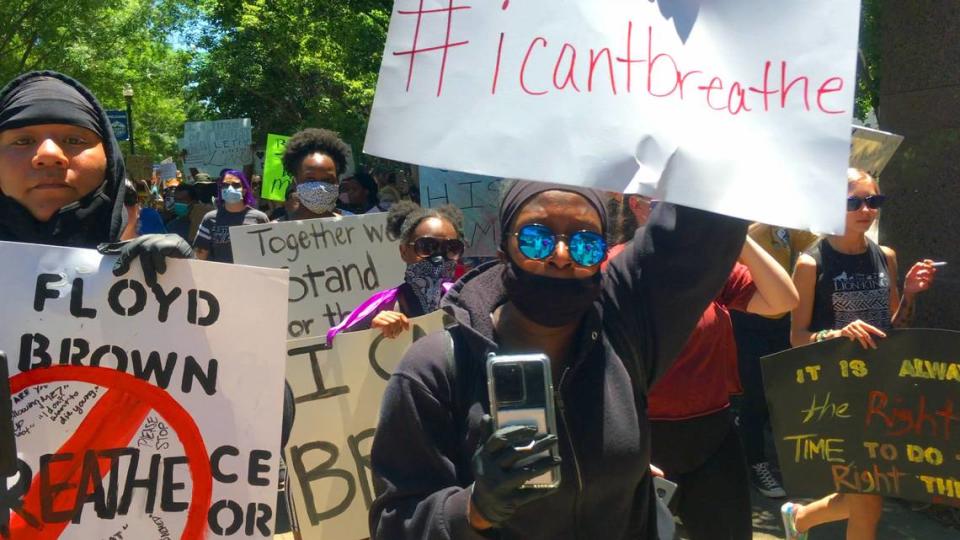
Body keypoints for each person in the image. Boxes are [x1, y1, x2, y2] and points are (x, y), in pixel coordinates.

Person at [368, 180, 747, 538]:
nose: (561, 256)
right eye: (536, 239)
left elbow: (702, 222)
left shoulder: (625, 331)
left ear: (603, 254)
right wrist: (472, 509)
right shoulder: (434, 368)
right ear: (504, 249)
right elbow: (394, 521)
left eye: (586, 244)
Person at [607, 194, 799, 539]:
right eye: (669, 201)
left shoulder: (706, 266)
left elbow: (782, 301)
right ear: (637, 204)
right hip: (642, 437)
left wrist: (735, 234)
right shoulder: (612, 269)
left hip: (712, 435)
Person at [781, 169, 938, 540]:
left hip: (882, 391)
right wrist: (837, 333)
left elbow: (894, 326)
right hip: (836, 397)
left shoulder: (886, 256)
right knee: (869, 500)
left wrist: (911, 294)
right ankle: (798, 519)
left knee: (866, 495)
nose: (866, 210)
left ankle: (798, 519)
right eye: (855, 202)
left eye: (874, 201)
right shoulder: (810, 263)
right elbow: (796, 338)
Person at [0, 70, 192, 286]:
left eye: (74, 140)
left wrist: (183, 280)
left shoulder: (160, 278)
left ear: (109, 159)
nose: (49, 154)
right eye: (22, 141)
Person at [731, 223, 818, 498]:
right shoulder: (753, 227)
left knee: (780, 393)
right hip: (750, 317)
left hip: (784, 319)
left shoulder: (791, 227)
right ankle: (755, 462)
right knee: (754, 394)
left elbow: (813, 248)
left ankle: (787, 460)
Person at [327, 201, 465, 344]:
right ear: (404, 251)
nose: (438, 258)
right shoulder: (382, 307)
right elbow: (338, 347)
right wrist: (371, 331)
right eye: (426, 247)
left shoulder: (466, 301)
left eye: (451, 248)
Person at [194, 169, 269, 263]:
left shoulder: (260, 218)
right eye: (225, 185)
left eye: (236, 185)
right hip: (222, 276)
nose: (230, 188)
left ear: (244, 191)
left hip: (252, 275)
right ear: (221, 190)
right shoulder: (209, 219)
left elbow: (268, 254)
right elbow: (200, 256)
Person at [282, 128, 352, 220]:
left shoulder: (359, 225)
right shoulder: (274, 231)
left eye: (327, 180)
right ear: (295, 182)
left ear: (337, 181)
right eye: (310, 179)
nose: (320, 188)